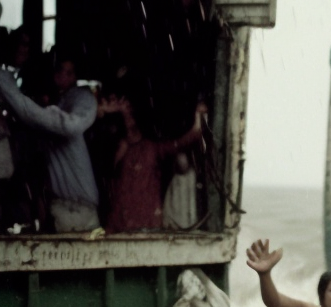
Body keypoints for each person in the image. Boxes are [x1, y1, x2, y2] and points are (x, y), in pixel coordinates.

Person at [0, 53, 100, 231]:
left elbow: (69, 125)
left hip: (81, 208)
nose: (62, 76)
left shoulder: (79, 100)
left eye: (69, 73)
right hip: (65, 208)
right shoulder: (47, 116)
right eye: (60, 71)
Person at [103, 96, 204, 232]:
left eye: (130, 110)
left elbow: (184, 141)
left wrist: (198, 119)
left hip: (147, 225)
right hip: (120, 225)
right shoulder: (116, 150)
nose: (128, 117)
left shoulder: (151, 148)